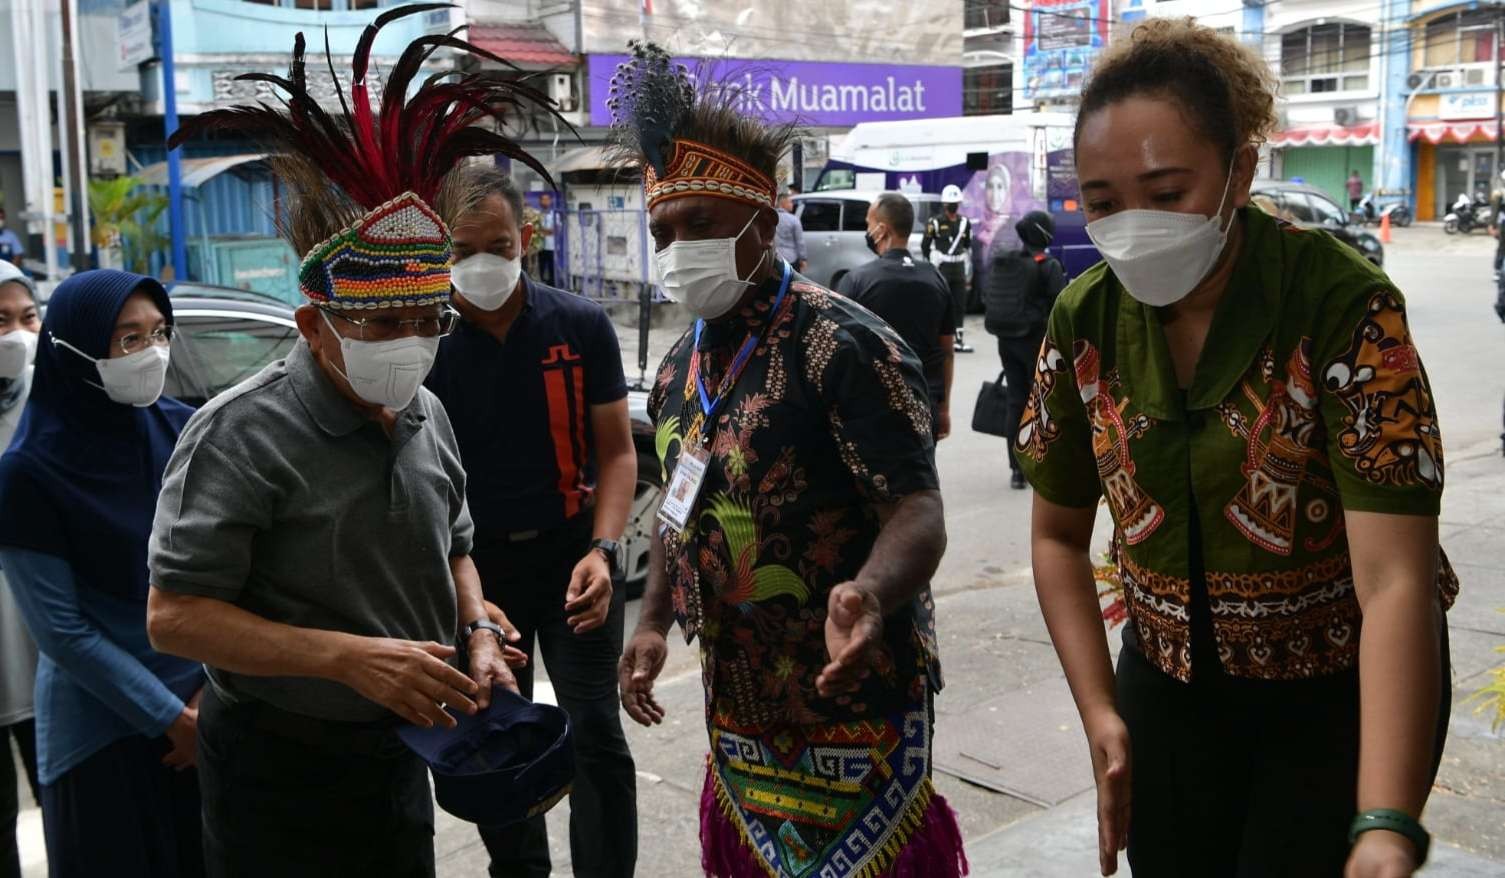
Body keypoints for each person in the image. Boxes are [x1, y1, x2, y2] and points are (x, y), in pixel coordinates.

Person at [1016, 20, 1455, 878]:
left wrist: (1385, 817)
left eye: (1166, 191)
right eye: (1103, 203)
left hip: (1338, 687)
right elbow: (1056, 538)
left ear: (1240, 172)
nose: (1131, 225)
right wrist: (1101, 710)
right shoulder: (1083, 319)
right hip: (1165, 688)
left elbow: (1395, 580)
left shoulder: (1341, 302)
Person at [143, 14, 553, 875]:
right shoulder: (240, 433)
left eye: (428, 319)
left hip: (400, 751)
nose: (411, 341)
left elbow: (457, 549)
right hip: (275, 763)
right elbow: (173, 616)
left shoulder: (425, 414)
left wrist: (475, 629)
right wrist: (347, 659)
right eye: (382, 321)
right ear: (313, 324)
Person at [606, 43, 966, 878]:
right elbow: (675, 507)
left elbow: (917, 509)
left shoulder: (844, 344)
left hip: (854, 694)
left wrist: (868, 592)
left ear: (762, 223)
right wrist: (654, 619)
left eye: (698, 225)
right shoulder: (674, 368)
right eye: (663, 231)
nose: (676, 247)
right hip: (737, 706)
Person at [429, 166, 639, 878]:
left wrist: (605, 551)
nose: (478, 264)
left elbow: (616, 454)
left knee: (597, 736)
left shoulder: (577, 325)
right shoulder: (422, 342)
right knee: (495, 735)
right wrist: (466, 602)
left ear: (525, 237)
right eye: (459, 251)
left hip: (572, 560)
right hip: (475, 575)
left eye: (495, 245)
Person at [0, 269, 203, 878]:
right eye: (128, 339)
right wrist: (172, 717)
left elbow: (228, 576)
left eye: (160, 333)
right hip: (99, 729)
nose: (152, 354)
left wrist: (210, 698)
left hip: (204, 705)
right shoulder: (27, 474)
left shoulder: (183, 430)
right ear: (72, 346)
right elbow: (62, 631)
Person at [838, 191, 954, 439]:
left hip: (871, 407)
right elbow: (947, 351)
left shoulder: (856, 281)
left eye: (869, 225)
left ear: (881, 230)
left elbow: (838, 352)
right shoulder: (936, 278)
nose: (867, 232)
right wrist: (944, 409)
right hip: (925, 403)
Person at [0, 263, 40, 878]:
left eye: (28, 319)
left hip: (50, 660)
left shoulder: (51, 401)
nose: (17, 336)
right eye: (0, 322)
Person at [983, 210, 1066, 490]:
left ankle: (1016, 471)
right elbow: (1060, 307)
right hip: (1036, 341)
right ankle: (1040, 465)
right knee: (1042, 403)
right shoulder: (1048, 265)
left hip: (1006, 339)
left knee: (1016, 401)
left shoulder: (1008, 262)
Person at [922, 184, 974, 353]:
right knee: (940, 303)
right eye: (950, 203)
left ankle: (958, 340)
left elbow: (967, 245)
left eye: (955, 203)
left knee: (959, 304)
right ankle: (937, 338)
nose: (953, 206)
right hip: (942, 267)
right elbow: (925, 245)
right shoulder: (935, 222)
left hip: (958, 267)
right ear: (944, 204)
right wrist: (932, 260)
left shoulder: (965, 223)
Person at [774, 189, 807, 272]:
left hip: (775, 259)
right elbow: (800, 242)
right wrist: (803, 258)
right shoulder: (794, 220)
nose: (792, 204)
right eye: (790, 202)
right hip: (791, 259)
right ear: (783, 204)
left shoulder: (772, 218)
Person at [537, 191, 559, 287]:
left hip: (551, 246)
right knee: (541, 266)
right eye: (543, 199)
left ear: (550, 201)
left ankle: (552, 285)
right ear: (540, 201)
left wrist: (543, 231)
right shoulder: (537, 215)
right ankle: (541, 284)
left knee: (551, 268)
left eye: (547, 199)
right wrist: (545, 231)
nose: (545, 201)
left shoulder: (555, 214)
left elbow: (556, 229)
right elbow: (536, 229)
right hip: (540, 246)